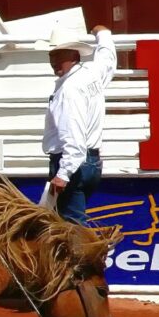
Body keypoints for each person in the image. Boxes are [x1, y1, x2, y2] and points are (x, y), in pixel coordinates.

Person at [42, 24, 116, 225]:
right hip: (90, 162)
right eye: (53, 55)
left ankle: (89, 256)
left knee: (71, 225)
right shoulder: (91, 73)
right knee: (67, 223)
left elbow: (73, 136)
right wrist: (103, 33)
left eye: (60, 55)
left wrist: (62, 174)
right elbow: (107, 59)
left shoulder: (68, 90)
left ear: (74, 54)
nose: (55, 61)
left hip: (72, 164)